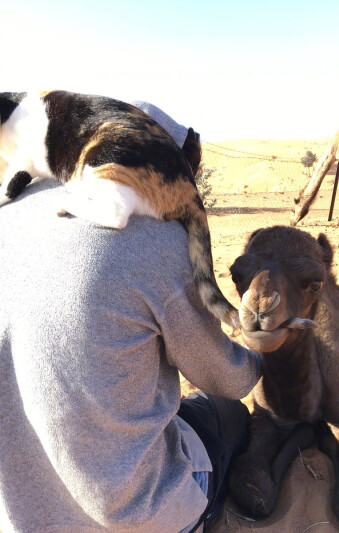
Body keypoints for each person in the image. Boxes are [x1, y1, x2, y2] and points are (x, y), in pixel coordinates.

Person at [0, 178, 261, 532]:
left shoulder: (9, 216)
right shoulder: (154, 237)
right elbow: (229, 378)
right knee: (225, 410)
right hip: (139, 514)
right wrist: (264, 354)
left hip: (17, 517)